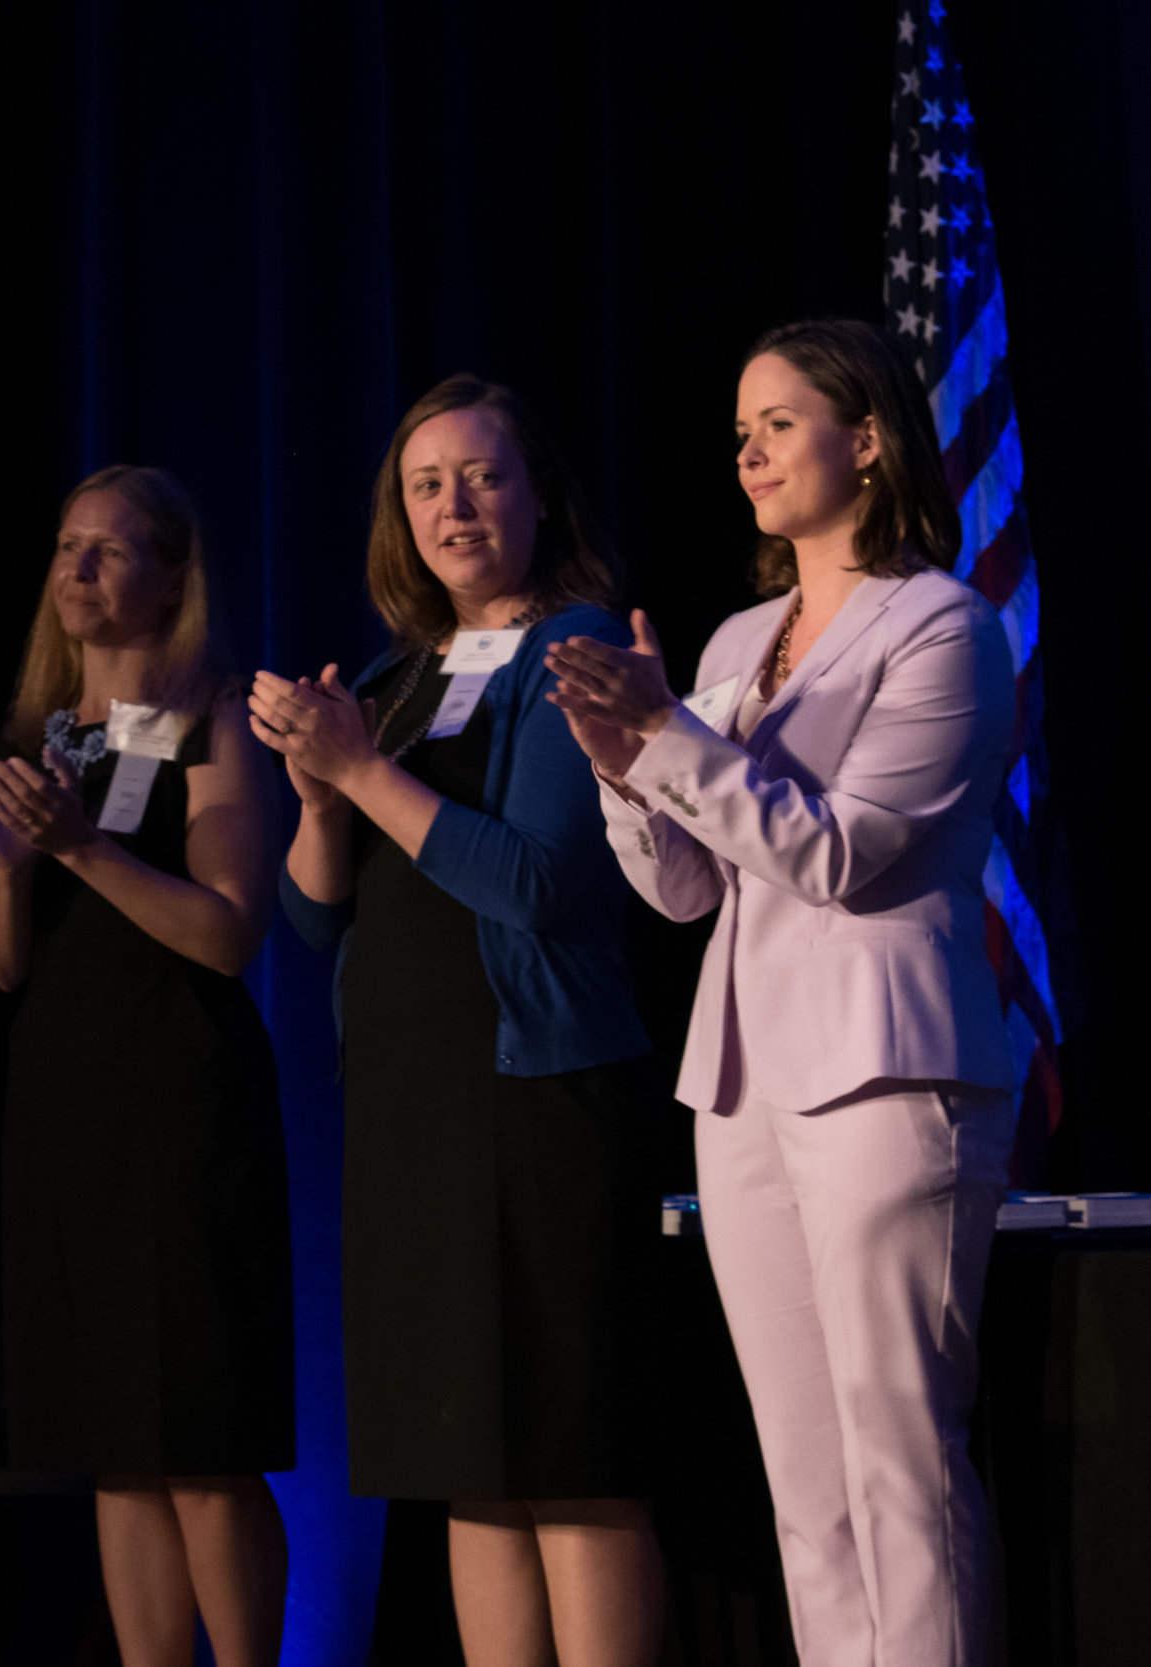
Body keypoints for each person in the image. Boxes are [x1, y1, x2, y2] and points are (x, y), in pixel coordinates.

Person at [545, 318, 1016, 1665]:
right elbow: (688, 888)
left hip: (886, 1074)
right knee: (806, 1489)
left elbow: (841, 853)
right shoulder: (745, 633)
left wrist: (672, 735)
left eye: (779, 421)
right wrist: (619, 756)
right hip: (745, 1088)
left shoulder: (945, 625)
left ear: (865, 440)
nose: (747, 449)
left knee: (900, 1472)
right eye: (739, 430)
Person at [252, 375, 665, 1666]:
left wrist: (360, 770)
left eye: (483, 475)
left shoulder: (575, 644)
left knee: (568, 1456)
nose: (454, 504)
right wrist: (320, 797)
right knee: (467, 1462)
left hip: (535, 1094)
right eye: (426, 484)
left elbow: (541, 886)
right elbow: (318, 921)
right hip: (410, 1105)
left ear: (538, 493)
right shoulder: (397, 673)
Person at [0, 466, 292, 1667]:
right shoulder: (45, 740)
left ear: (172, 577)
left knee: (197, 1435)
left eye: (108, 550)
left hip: (180, 1103)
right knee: (117, 1444)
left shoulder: (216, 718)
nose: (76, 570)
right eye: (65, 547)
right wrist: (5, 864)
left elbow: (227, 929)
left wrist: (83, 846)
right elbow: (1, 968)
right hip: (67, 1103)